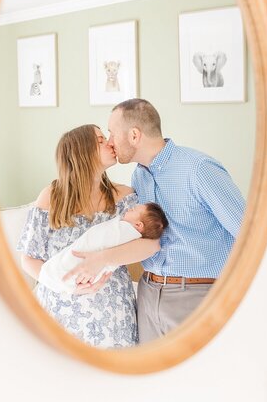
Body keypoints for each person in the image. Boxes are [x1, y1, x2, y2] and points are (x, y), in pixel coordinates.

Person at [64, 99, 245, 344]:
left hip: (197, 295)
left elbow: (250, 233)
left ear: (135, 135)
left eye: (112, 133)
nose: (110, 141)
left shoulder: (198, 169)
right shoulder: (139, 177)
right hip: (148, 296)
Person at [16, 123, 159, 349]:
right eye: (101, 141)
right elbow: (29, 259)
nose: (111, 143)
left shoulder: (126, 197)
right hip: (60, 313)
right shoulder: (51, 197)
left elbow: (150, 245)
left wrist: (103, 259)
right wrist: (67, 287)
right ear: (82, 152)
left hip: (113, 315)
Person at [39, 202, 168, 294]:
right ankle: (57, 277)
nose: (129, 209)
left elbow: (154, 246)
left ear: (138, 225)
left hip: (89, 273)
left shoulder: (125, 231)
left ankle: (56, 276)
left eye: (133, 210)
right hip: (75, 284)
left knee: (68, 266)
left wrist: (101, 259)